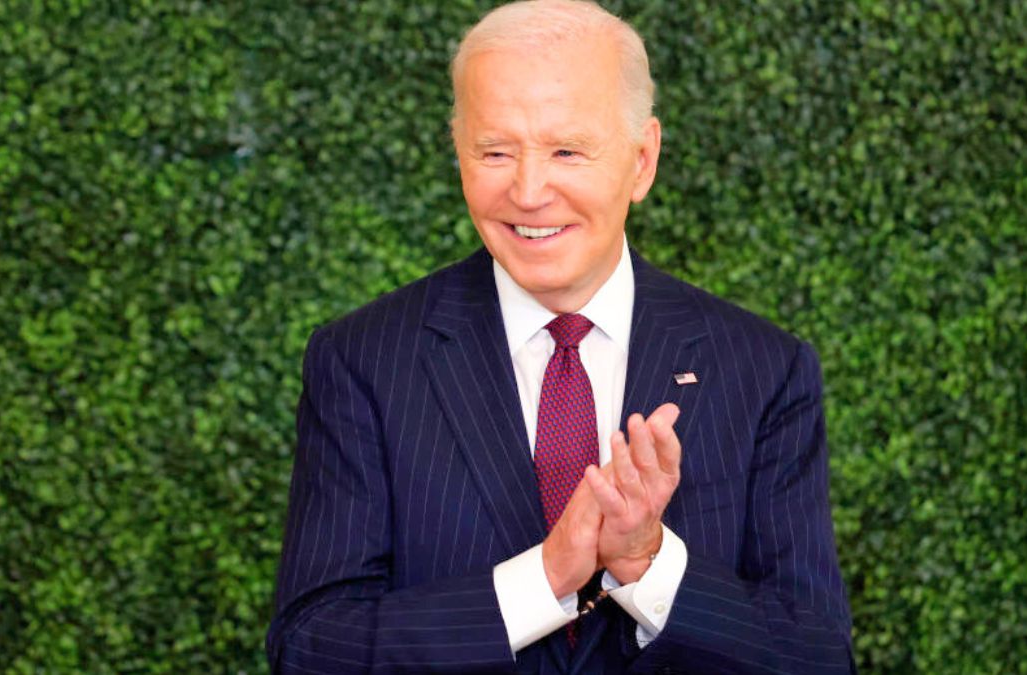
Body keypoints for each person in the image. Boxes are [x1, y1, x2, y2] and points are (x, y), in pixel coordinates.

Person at [266, 1, 854, 672]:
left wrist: (648, 563)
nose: (528, 191)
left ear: (642, 160)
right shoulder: (363, 360)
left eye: (567, 151)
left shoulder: (765, 370)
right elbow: (311, 648)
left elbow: (817, 655)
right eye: (495, 152)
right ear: (459, 152)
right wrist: (543, 579)